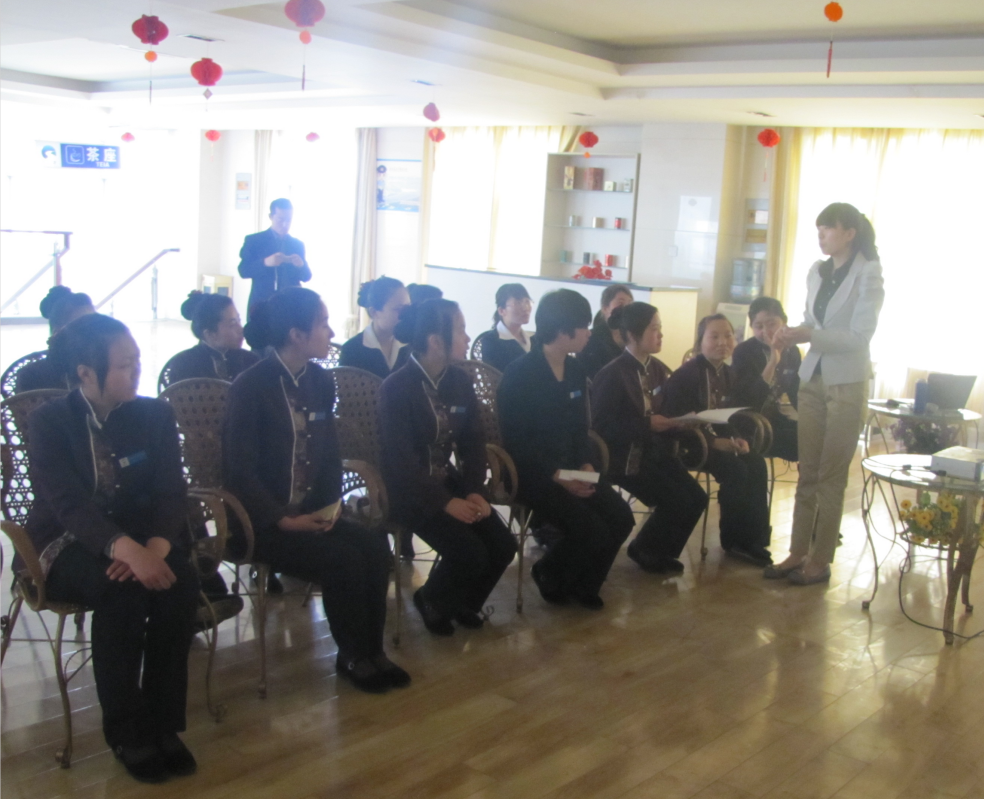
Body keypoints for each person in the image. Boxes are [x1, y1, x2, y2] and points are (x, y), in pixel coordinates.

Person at [23, 313, 198, 783]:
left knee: (179, 584)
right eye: (124, 365)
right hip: (67, 540)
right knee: (121, 592)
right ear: (86, 372)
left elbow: (171, 491)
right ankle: (126, 731)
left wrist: (153, 550)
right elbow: (67, 505)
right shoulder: (49, 422)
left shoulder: (154, 414)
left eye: (137, 359)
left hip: (142, 536)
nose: (136, 371)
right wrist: (125, 551)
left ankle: (163, 722)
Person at [223, 288, 408, 693]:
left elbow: (328, 453)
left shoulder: (320, 380)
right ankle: (353, 655)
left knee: (373, 547)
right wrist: (282, 518)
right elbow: (239, 471)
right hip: (264, 523)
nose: (330, 332)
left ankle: (372, 651)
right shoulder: (250, 387)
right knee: (343, 560)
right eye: (322, 324)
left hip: (312, 514)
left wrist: (330, 507)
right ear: (296, 334)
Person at [378, 299, 517, 635]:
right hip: (409, 491)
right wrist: (446, 502)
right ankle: (431, 600)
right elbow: (401, 463)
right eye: (461, 330)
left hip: (447, 482)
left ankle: (464, 602)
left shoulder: (459, 380)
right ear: (435, 341)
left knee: (503, 545)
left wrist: (474, 491)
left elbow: (473, 442)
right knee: (469, 551)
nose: (468, 338)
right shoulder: (396, 388)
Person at [767, 203, 884, 586]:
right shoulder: (817, 271)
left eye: (828, 228)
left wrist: (809, 335)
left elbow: (859, 337)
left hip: (847, 381)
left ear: (849, 233)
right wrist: (791, 333)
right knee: (808, 472)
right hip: (813, 379)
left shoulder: (869, 272)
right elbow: (812, 322)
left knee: (831, 476)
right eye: (818, 229)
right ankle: (797, 552)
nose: (821, 235)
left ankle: (820, 560)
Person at [498, 289, 635, 609]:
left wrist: (585, 464)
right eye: (584, 326)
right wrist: (557, 475)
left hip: (572, 469)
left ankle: (586, 583)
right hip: (533, 474)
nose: (589, 332)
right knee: (591, 528)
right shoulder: (520, 374)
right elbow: (517, 442)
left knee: (621, 517)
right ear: (563, 330)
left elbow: (579, 429)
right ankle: (549, 572)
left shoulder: (574, 370)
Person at [590, 302, 708, 574]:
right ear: (632, 335)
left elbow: (664, 410)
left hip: (655, 452)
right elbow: (601, 428)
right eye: (654, 329)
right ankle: (644, 549)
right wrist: (647, 425)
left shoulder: (657, 369)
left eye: (660, 328)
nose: (660, 334)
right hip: (624, 458)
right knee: (675, 499)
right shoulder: (612, 373)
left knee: (697, 497)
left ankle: (658, 550)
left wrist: (682, 421)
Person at [660, 314, 773, 566]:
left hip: (717, 441)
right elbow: (675, 423)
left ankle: (754, 540)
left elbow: (729, 416)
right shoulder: (685, 376)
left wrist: (737, 438)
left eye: (728, 336)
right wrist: (713, 443)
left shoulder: (728, 373)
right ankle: (733, 541)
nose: (723, 342)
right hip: (690, 445)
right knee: (735, 469)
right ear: (700, 340)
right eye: (714, 336)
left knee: (756, 463)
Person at [732, 297, 801, 462]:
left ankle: (809, 478)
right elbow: (752, 400)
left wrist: (812, 418)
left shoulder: (792, 351)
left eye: (771, 324)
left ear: (784, 322)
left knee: (811, 435)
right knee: (799, 443)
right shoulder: (744, 352)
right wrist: (772, 362)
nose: (766, 332)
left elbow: (796, 392)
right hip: (748, 422)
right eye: (759, 326)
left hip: (772, 418)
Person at [237, 198, 311, 318]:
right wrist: (265, 263)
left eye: (289, 220)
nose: (285, 224)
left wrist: (300, 265)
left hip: (291, 307)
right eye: (280, 219)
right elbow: (243, 270)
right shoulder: (254, 241)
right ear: (271, 217)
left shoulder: (297, 244)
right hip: (262, 305)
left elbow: (306, 276)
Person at [165, 291, 259, 384]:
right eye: (232, 324)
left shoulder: (250, 361)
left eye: (239, 320)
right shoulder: (183, 364)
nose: (241, 329)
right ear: (209, 334)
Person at [14, 285, 95, 393]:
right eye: (82, 328)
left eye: (94, 325)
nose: (92, 334)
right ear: (57, 333)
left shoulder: (106, 371)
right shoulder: (31, 375)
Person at [339, 276, 411, 379]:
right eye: (398, 309)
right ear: (374, 312)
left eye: (407, 308)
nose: (406, 315)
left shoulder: (410, 346)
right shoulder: (352, 350)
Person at [577, 283, 634, 379]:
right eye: (620, 304)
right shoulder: (591, 339)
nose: (626, 308)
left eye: (630, 304)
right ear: (605, 308)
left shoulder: (633, 337)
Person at [479, 283, 534, 374]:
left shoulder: (533, 339)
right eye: (518, 303)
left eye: (527, 302)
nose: (525, 308)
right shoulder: (490, 341)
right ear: (501, 311)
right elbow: (494, 377)